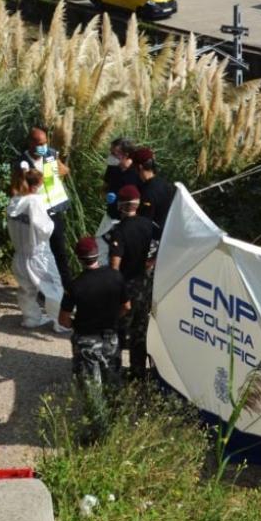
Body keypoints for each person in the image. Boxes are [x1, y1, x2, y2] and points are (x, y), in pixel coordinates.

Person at [59, 237, 128, 388]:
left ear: (79, 259)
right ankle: (115, 409)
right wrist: (113, 318)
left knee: (90, 388)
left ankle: (94, 411)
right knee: (113, 384)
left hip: (85, 340)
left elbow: (63, 320)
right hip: (110, 338)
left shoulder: (75, 285)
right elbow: (127, 306)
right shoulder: (116, 276)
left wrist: (77, 325)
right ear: (97, 254)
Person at [107, 185, 159, 381]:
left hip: (125, 287)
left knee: (118, 330)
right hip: (145, 286)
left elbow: (114, 265)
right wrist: (149, 264)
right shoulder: (149, 226)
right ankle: (138, 373)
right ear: (137, 205)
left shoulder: (119, 231)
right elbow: (160, 250)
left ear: (121, 205)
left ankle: (115, 372)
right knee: (140, 331)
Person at [7, 169, 66, 332]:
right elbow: (44, 228)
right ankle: (60, 321)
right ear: (36, 185)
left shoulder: (14, 201)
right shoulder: (35, 201)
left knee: (26, 289)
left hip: (19, 254)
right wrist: (52, 223)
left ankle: (31, 318)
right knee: (54, 287)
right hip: (38, 254)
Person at [19, 127, 73, 290]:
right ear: (30, 143)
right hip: (37, 212)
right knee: (40, 252)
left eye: (45, 143)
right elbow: (18, 188)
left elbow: (65, 170)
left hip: (54, 208)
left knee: (59, 249)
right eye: (39, 144)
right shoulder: (23, 162)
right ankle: (44, 288)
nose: (43, 146)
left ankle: (67, 286)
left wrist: (55, 170)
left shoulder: (50, 154)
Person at [97, 137, 138, 264]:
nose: (111, 156)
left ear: (125, 155)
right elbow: (104, 188)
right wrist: (106, 195)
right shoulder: (112, 168)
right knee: (100, 244)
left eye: (114, 153)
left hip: (125, 219)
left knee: (118, 251)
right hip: (110, 215)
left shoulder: (135, 173)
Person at [134, 148, 176, 237]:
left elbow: (145, 222)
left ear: (140, 167)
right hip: (170, 232)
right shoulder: (165, 183)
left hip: (156, 236)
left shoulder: (148, 192)